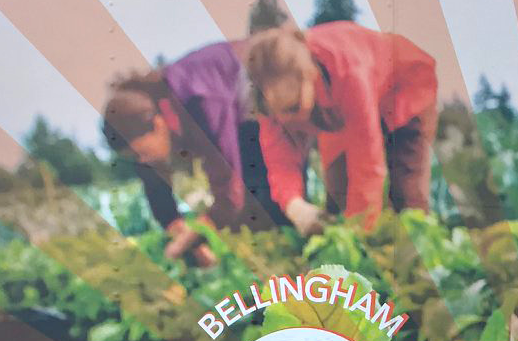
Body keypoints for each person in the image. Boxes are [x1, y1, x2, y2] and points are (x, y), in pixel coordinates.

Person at [101, 41, 285, 266]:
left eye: (142, 153)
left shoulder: (202, 103)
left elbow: (230, 189)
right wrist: (178, 229)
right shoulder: (146, 121)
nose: (143, 161)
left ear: (159, 124)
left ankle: (284, 262)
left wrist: (196, 234)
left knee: (264, 200)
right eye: (135, 157)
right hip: (234, 113)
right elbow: (156, 190)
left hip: (260, 97)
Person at [242, 23, 438, 232]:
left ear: (310, 75)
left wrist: (359, 235)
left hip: (405, 88)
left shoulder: (348, 70)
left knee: (407, 194)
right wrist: (295, 206)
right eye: (280, 113)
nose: (291, 121)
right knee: (338, 199)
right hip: (343, 112)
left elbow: (367, 166)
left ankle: (416, 252)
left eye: (294, 107)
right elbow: (280, 163)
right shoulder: (271, 98)